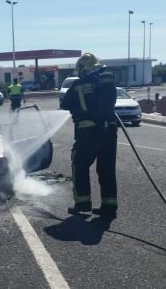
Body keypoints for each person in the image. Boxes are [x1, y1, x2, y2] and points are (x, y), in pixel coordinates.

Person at [59, 53, 118, 217]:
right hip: (110, 130)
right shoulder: (107, 80)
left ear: (83, 68)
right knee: (107, 169)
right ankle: (109, 207)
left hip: (88, 131)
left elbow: (65, 104)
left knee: (80, 165)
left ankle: (83, 203)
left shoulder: (79, 84)